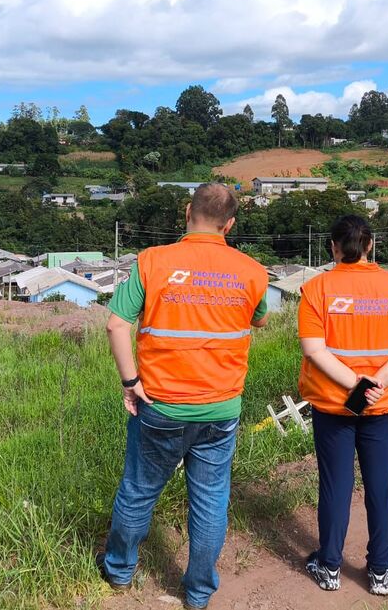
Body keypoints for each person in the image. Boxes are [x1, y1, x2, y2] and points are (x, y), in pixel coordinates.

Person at [99, 183, 270, 610]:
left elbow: (116, 324)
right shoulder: (252, 270)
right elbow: (260, 319)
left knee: (139, 489)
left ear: (187, 212)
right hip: (221, 408)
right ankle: (198, 593)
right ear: (229, 224)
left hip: (160, 404)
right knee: (210, 499)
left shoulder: (152, 261)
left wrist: (130, 381)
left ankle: (119, 571)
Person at [297, 215, 388, 596]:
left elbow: (314, 349)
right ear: (370, 246)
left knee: (336, 487)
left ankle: (329, 566)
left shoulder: (316, 290)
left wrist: (355, 383)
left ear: (333, 247)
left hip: (333, 407)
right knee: (381, 486)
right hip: (381, 407)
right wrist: (377, 382)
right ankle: (381, 572)